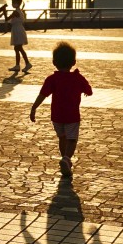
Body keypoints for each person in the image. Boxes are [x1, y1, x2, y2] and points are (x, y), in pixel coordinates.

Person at [29, 42, 93, 178]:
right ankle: (66, 158)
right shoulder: (77, 78)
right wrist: (85, 91)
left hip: (57, 116)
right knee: (72, 139)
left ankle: (65, 158)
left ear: (54, 62)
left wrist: (34, 108)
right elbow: (89, 90)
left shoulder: (52, 79)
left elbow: (42, 95)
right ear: (74, 62)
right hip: (72, 116)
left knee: (62, 137)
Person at [4, 0, 33, 72]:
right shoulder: (19, 11)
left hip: (18, 30)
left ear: (17, 3)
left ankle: (27, 63)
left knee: (19, 48)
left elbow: (7, 19)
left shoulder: (16, 12)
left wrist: (3, 10)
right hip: (17, 29)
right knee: (17, 48)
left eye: (13, 2)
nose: (12, 4)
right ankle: (18, 65)